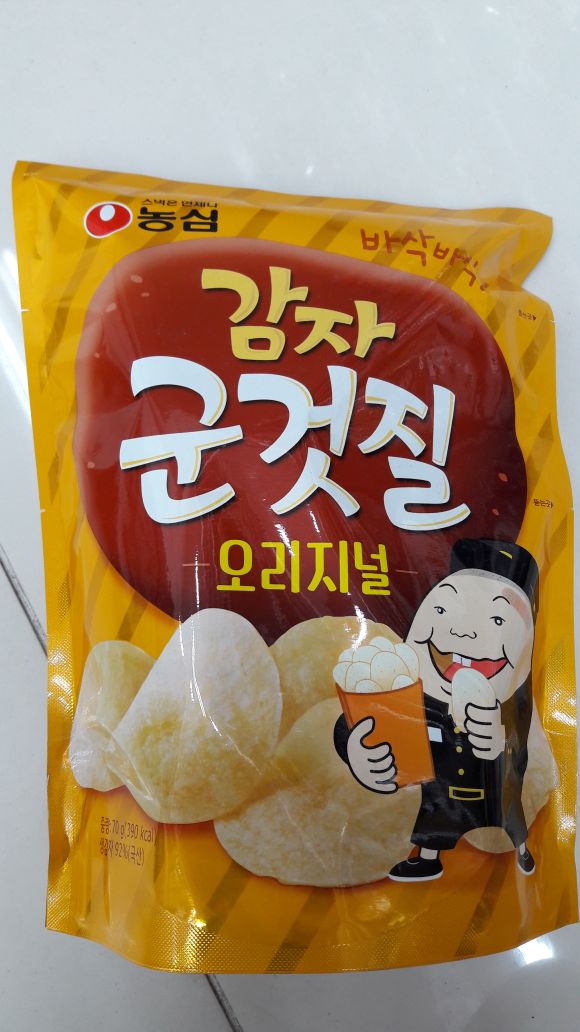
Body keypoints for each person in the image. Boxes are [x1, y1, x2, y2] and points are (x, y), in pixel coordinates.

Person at [334, 538, 539, 882]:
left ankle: (521, 848)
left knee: (510, 820)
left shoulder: (512, 706)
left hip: (494, 794)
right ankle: (428, 857)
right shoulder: (406, 694)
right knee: (433, 822)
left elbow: (520, 738)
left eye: (497, 620)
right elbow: (365, 723)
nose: (463, 632)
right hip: (439, 796)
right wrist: (356, 750)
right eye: (443, 610)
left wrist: (501, 737)